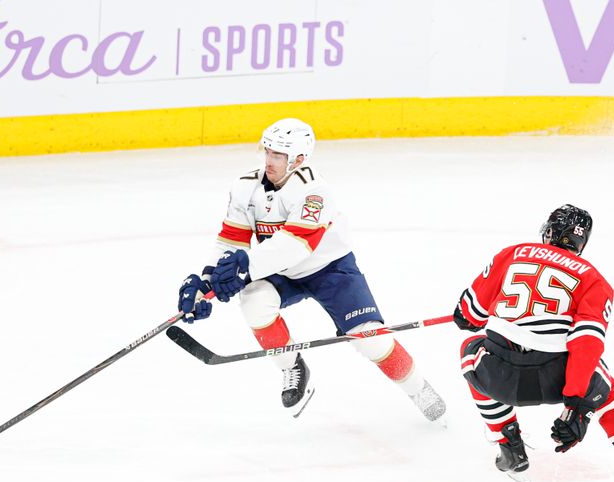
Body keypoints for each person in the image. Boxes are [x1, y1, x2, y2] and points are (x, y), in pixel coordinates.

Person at [177, 117, 446, 422]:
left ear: (299, 159)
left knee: (371, 339)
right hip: (280, 272)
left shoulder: (315, 192)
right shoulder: (245, 187)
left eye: (278, 155)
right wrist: (207, 282)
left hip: (330, 269)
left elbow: (295, 246)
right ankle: (292, 366)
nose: (269, 161)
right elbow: (232, 240)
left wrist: (244, 268)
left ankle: (417, 388)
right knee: (254, 301)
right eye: (267, 152)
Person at [452, 204, 614, 482]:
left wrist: (463, 315)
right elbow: (587, 343)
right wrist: (576, 405)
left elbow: (471, 314)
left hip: (500, 378)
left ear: (548, 231)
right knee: (607, 388)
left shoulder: (513, 253)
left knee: (471, 351)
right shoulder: (594, 280)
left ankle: (509, 445)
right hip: (553, 379)